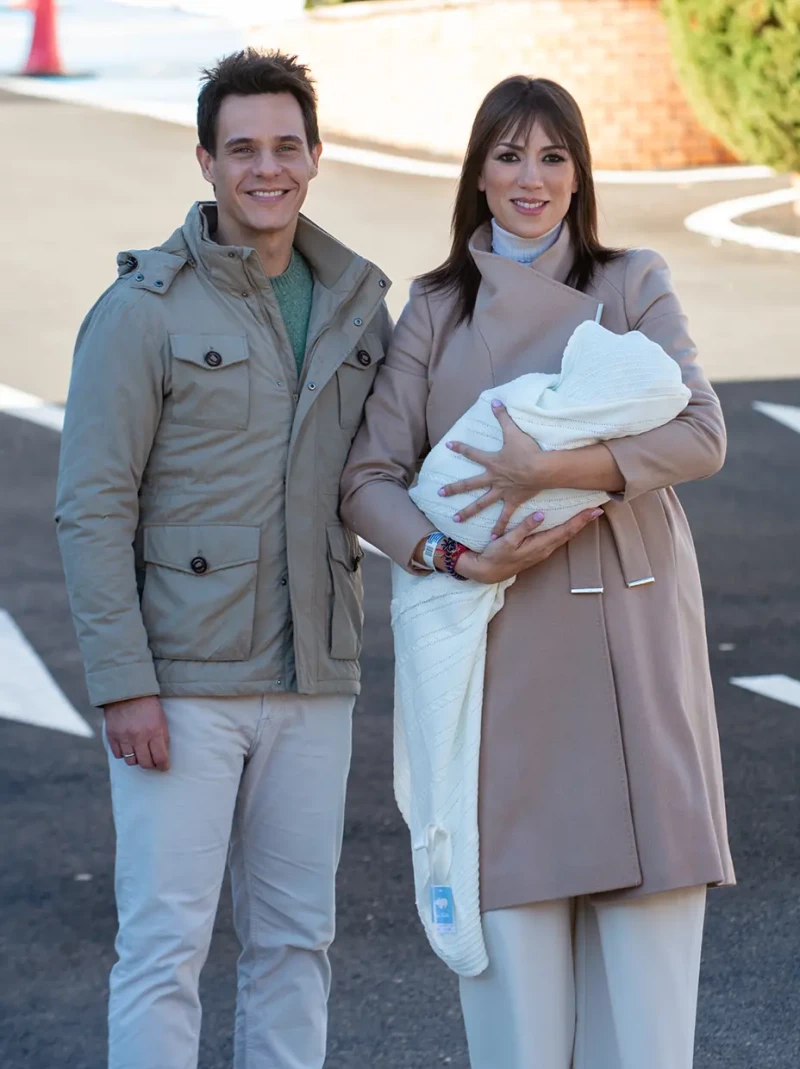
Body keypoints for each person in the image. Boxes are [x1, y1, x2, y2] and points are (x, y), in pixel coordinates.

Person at [340, 76, 734, 1069]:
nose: (530, 178)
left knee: (645, 991)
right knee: (515, 987)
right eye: (509, 155)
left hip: (634, 640)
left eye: (552, 156)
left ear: (578, 173)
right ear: (476, 172)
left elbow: (700, 434)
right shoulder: (433, 308)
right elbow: (365, 479)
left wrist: (550, 469)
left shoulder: (630, 280)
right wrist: (452, 554)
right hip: (500, 649)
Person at [55, 48, 391, 1069]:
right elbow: (89, 506)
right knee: (166, 946)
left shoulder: (355, 308)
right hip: (183, 686)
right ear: (204, 159)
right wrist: (124, 687)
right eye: (241, 148)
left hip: (311, 678)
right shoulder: (141, 311)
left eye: (286, 146)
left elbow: (385, 469)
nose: (266, 168)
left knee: (298, 941)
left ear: (317, 156)